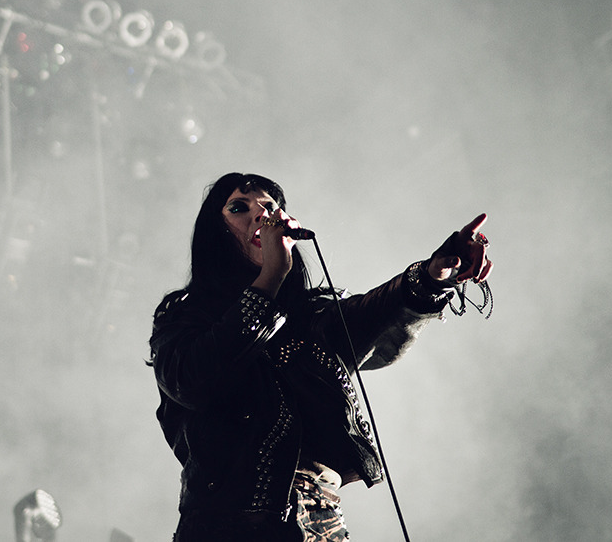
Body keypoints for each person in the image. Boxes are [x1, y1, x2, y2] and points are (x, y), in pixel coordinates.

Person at [148, 173, 493, 542]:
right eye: (239, 208)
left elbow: (373, 314)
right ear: (215, 232)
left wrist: (431, 276)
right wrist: (272, 275)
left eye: (270, 207)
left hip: (320, 524)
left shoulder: (312, 320)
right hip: (228, 525)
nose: (261, 216)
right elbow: (193, 379)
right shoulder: (185, 319)